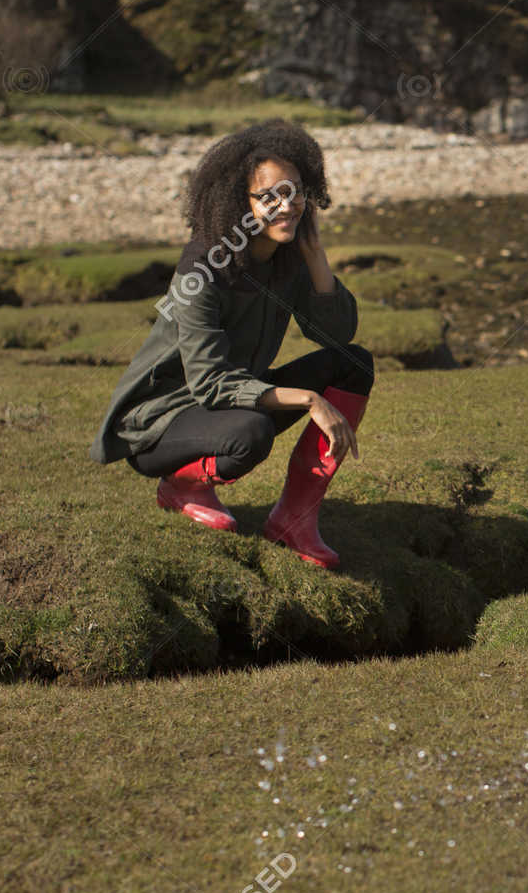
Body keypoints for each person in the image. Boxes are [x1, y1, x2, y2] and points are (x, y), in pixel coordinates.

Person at [89, 120, 374, 569]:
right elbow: (210, 384)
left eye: (295, 191)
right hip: (160, 425)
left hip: (233, 400)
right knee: (251, 433)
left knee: (353, 364)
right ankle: (180, 485)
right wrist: (308, 399)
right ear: (238, 203)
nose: (288, 206)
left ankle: (295, 519)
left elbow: (337, 336)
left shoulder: (287, 257)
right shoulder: (202, 270)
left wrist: (316, 258)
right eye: (269, 197)